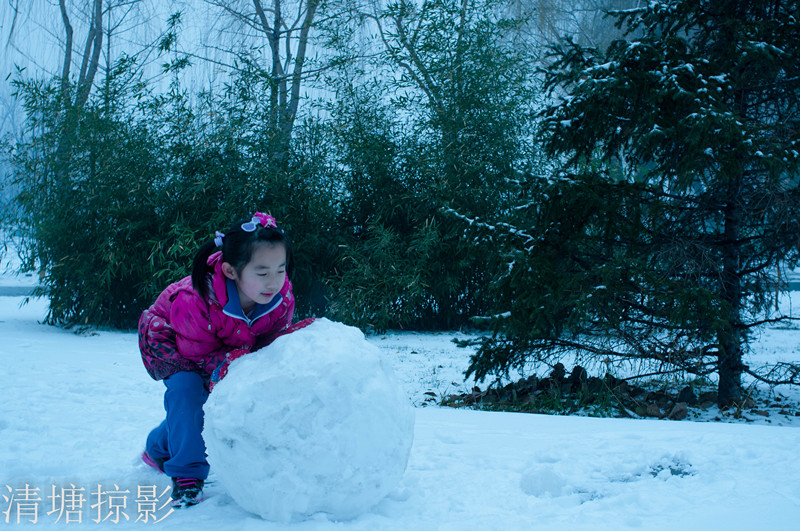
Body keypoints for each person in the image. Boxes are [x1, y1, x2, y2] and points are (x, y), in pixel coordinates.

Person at [138, 212, 295, 507]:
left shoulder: (281, 300)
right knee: (189, 391)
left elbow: (268, 343)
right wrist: (236, 362)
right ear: (231, 270)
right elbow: (196, 356)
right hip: (171, 338)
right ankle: (186, 474)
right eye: (262, 273)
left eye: (280, 270)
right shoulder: (194, 299)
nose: (273, 282)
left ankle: (158, 446)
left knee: (220, 392)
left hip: (224, 346)